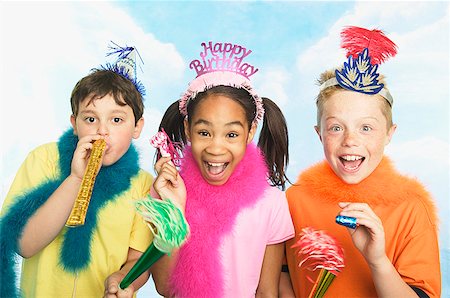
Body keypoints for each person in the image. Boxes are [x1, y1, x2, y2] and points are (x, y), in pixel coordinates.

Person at [283, 26, 441, 297]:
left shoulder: (412, 208)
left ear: (389, 135)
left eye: (366, 128)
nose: (350, 141)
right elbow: (282, 274)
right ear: (319, 134)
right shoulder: (294, 200)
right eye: (336, 128)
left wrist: (377, 260)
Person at [0, 44, 153, 297]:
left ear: (137, 127)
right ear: (75, 123)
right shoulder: (44, 159)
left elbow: (137, 260)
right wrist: (75, 178)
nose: (102, 131)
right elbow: (24, 245)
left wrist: (123, 281)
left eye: (117, 120)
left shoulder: (143, 184)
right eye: (91, 119)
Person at [149, 41, 295, 297]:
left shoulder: (271, 202)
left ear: (250, 132)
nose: (216, 148)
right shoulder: (166, 191)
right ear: (187, 129)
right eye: (204, 132)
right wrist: (174, 211)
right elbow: (164, 287)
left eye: (231, 134)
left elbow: (267, 292)